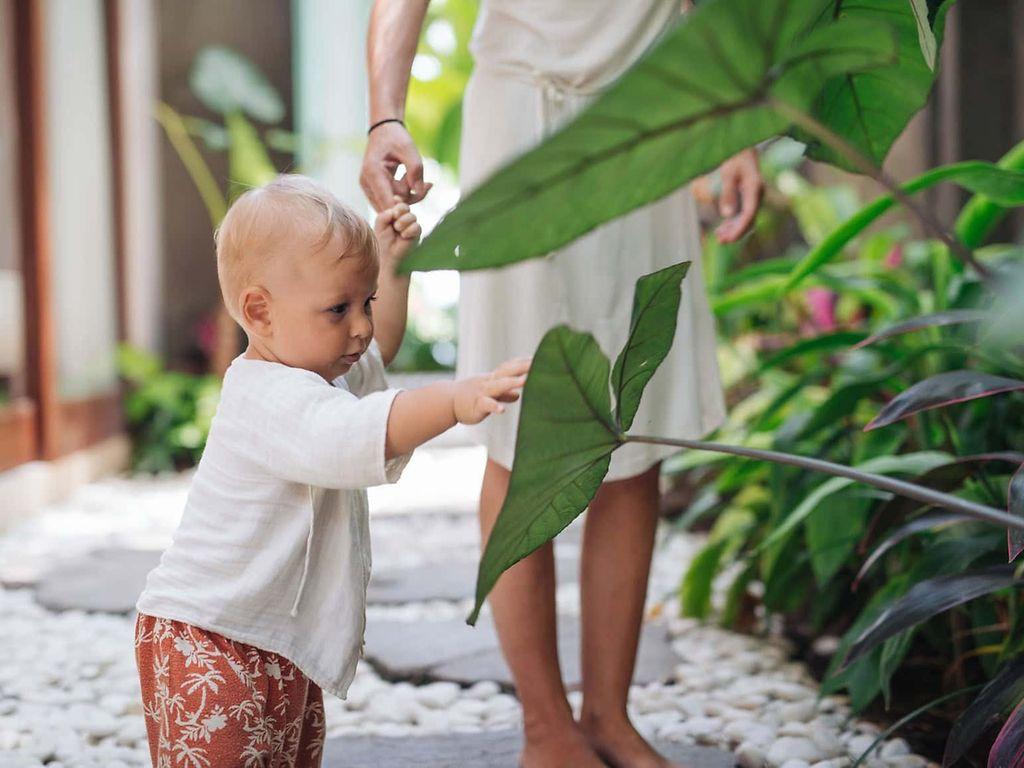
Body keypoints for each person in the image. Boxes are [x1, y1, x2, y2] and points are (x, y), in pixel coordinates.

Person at [362, 3, 764, 767]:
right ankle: (546, 731)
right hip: (523, 117)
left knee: (635, 432)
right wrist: (386, 114)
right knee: (521, 430)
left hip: (657, 112)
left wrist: (739, 122)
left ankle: (608, 717)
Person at [133, 175, 529, 768]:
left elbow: (380, 351)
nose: (362, 325)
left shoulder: (324, 371)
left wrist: (394, 266)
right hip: (206, 640)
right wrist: (451, 400)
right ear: (260, 312)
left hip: (277, 641)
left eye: (364, 302)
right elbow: (353, 437)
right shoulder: (264, 395)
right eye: (339, 308)